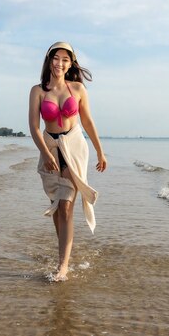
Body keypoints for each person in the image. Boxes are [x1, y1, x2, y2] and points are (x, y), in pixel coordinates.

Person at [28, 41, 107, 282]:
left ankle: (63, 266)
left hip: (73, 148)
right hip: (49, 148)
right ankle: (63, 249)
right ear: (49, 60)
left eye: (65, 59)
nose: (59, 63)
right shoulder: (38, 91)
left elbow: (88, 122)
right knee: (56, 206)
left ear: (71, 63)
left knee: (66, 207)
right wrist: (46, 153)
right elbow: (33, 126)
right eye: (56, 58)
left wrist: (100, 152)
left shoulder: (78, 89)